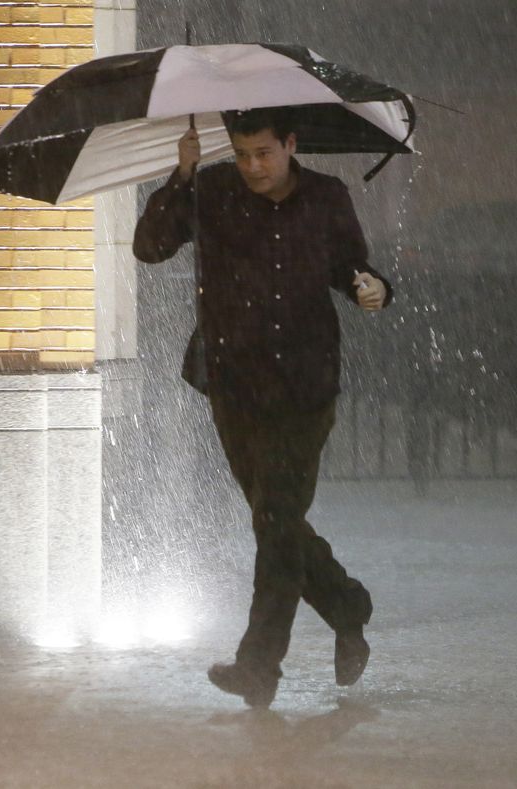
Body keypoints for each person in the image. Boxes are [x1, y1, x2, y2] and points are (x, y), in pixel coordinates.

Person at [133, 107, 393, 708]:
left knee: (276, 520)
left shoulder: (326, 197)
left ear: (290, 144)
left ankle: (258, 665)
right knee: (276, 521)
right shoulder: (212, 190)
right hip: (235, 385)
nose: (253, 166)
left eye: (265, 154)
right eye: (243, 154)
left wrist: (372, 287)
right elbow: (150, 247)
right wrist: (181, 176)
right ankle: (346, 603)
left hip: (304, 387)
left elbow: (352, 266)